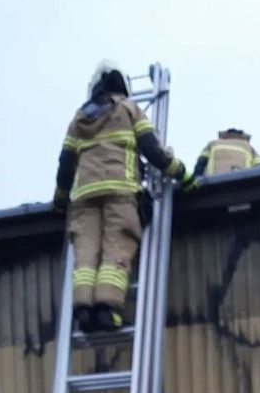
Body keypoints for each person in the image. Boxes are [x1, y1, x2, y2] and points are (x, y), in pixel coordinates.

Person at [53, 60, 190, 334]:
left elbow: (65, 164)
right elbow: (153, 150)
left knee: (86, 254)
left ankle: (83, 310)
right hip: (119, 191)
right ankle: (107, 311)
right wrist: (182, 174)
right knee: (117, 248)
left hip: (82, 197)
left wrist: (60, 199)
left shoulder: (78, 118)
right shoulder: (129, 109)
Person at [193, 128, 260, 179]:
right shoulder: (248, 147)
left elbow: (200, 163)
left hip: (213, 182)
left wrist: (195, 179)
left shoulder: (213, 144)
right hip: (241, 182)